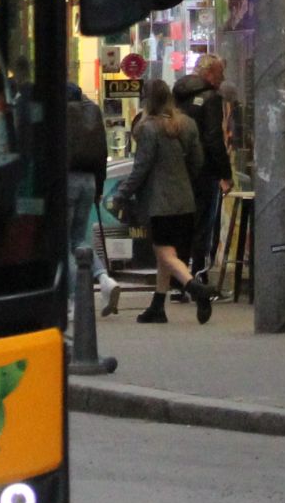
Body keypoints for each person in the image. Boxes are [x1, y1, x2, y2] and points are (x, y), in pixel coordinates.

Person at [116, 77, 212, 324]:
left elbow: (141, 168)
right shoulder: (187, 124)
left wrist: (121, 194)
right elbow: (198, 161)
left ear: (147, 101)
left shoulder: (148, 129)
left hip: (160, 203)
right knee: (166, 256)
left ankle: (194, 287)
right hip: (185, 200)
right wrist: (183, 180)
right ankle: (158, 306)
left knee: (165, 254)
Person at [175, 54, 234, 281]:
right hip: (204, 170)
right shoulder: (211, 98)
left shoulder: (178, 95)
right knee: (203, 225)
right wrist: (225, 174)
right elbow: (213, 138)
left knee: (183, 224)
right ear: (209, 73)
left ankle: (180, 280)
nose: (223, 77)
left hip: (180, 168)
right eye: (219, 73)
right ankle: (199, 276)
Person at [64, 79, 117, 320]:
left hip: (66, 181)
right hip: (89, 181)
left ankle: (75, 299)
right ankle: (104, 279)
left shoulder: (62, 116)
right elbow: (102, 150)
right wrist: (99, 187)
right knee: (79, 240)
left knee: (63, 243)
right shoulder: (91, 113)